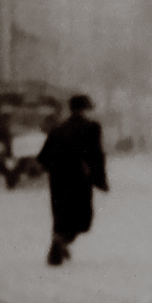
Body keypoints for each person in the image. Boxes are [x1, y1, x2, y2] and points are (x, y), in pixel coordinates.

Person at [37, 94, 108, 266]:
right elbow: (96, 154)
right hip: (79, 179)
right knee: (82, 219)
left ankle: (59, 240)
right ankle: (61, 241)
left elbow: (44, 157)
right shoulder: (91, 128)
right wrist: (100, 179)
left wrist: (44, 169)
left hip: (58, 180)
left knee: (61, 214)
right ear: (85, 108)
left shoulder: (57, 129)